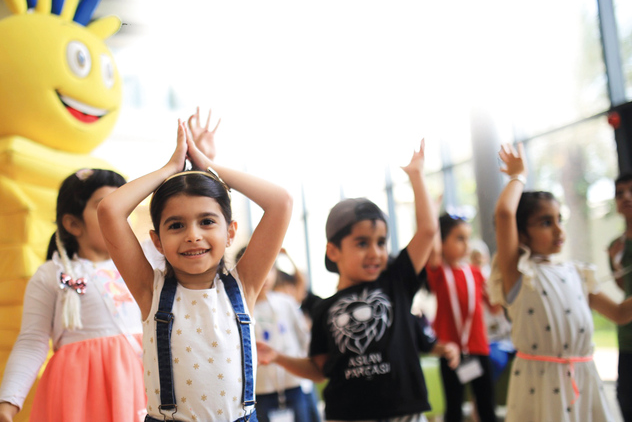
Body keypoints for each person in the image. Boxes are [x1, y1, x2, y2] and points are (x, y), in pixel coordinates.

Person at [97, 119, 293, 422]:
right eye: (176, 225)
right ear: (157, 241)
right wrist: (170, 169)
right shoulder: (150, 290)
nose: (193, 235)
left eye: (207, 221)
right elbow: (110, 209)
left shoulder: (245, 285)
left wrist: (208, 166)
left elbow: (281, 202)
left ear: (230, 233)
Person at [257, 140, 437, 422]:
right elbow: (319, 370)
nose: (375, 252)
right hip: (347, 415)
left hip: (404, 414)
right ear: (333, 251)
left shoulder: (396, 282)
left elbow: (427, 230)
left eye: (381, 242)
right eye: (362, 243)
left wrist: (416, 176)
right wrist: (278, 357)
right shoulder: (323, 308)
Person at [490, 143, 632, 421]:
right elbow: (504, 214)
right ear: (521, 233)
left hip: (583, 379)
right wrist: (518, 176)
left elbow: (619, 313)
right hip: (540, 384)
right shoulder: (519, 273)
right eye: (546, 223)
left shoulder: (577, 273)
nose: (558, 230)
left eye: (559, 220)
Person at [0, 168, 145, 422]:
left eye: (124, 205)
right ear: (73, 224)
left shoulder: (146, 262)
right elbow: (32, 342)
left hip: (138, 384)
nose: (118, 213)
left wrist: (187, 166)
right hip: (79, 394)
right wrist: (7, 402)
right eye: (105, 206)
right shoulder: (51, 274)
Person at [426, 214, 496, 422]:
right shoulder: (438, 272)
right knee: (454, 407)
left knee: (486, 406)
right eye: (459, 238)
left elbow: (495, 307)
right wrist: (432, 218)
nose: (467, 244)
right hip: (450, 350)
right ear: (442, 242)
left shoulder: (475, 273)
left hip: (478, 347)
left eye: (468, 238)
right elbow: (432, 251)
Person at [239, 247, 320, 422]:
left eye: (269, 269)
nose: (264, 276)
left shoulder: (286, 302)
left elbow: (304, 338)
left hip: (294, 383)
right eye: (256, 269)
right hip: (260, 390)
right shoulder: (240, 310)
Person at [610, 172, 632, 422]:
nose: (626, 198)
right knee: (626, 399)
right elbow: (623, 287)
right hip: (628, 335)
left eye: (631, 191)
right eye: (619, 194)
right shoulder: (616, 246)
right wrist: (616, 265)